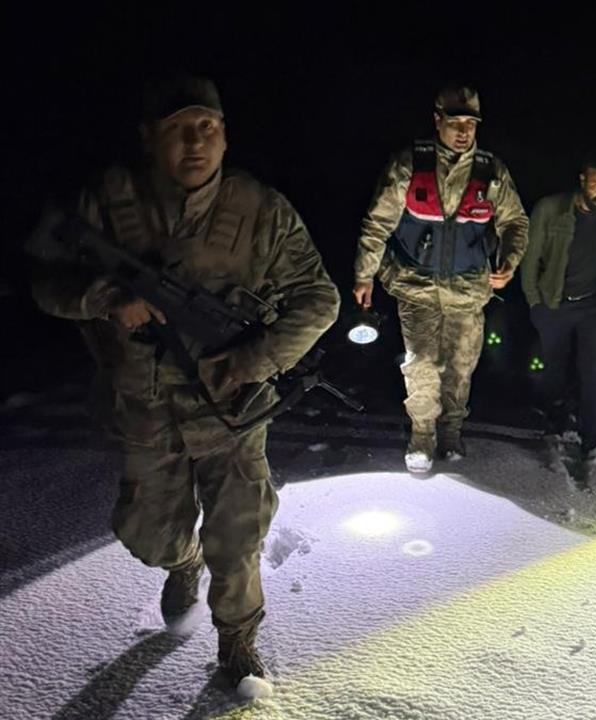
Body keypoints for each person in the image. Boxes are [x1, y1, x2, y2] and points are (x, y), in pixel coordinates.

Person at [25, 73, 339, 683]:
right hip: (144, 403)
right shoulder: (109, 204)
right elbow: (45, 281)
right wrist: (105, 297)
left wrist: (251, 361)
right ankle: (183, 559)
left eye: (208, 128)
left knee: (239, 535)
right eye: (178, 131)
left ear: (224, 137)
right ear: (150, 139)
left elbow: (318, 299)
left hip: (233, 407)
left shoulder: (260, 211)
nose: (195, 144)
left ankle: (237, 640)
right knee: (148, 536)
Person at [352, 86, 529, 473]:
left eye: (470, 123)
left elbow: (515, 222)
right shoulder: (408, 165)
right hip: (417, 286)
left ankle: (451, 431)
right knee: (421, 364)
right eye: (455, 122)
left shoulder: (491, 171)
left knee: (461, 365)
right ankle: (422, 435)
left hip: (469, 289)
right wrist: (364, 273)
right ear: (438, 121)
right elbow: (377, 222)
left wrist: (509, 261)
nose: (463, 131)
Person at [522, 154, 596, 451]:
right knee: (554, 367)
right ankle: (554, 417)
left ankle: (592, 435)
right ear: (582, 181)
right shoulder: (551, 209)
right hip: (554, 304)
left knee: (593, 370)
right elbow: (530, 257)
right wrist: (535, 302)